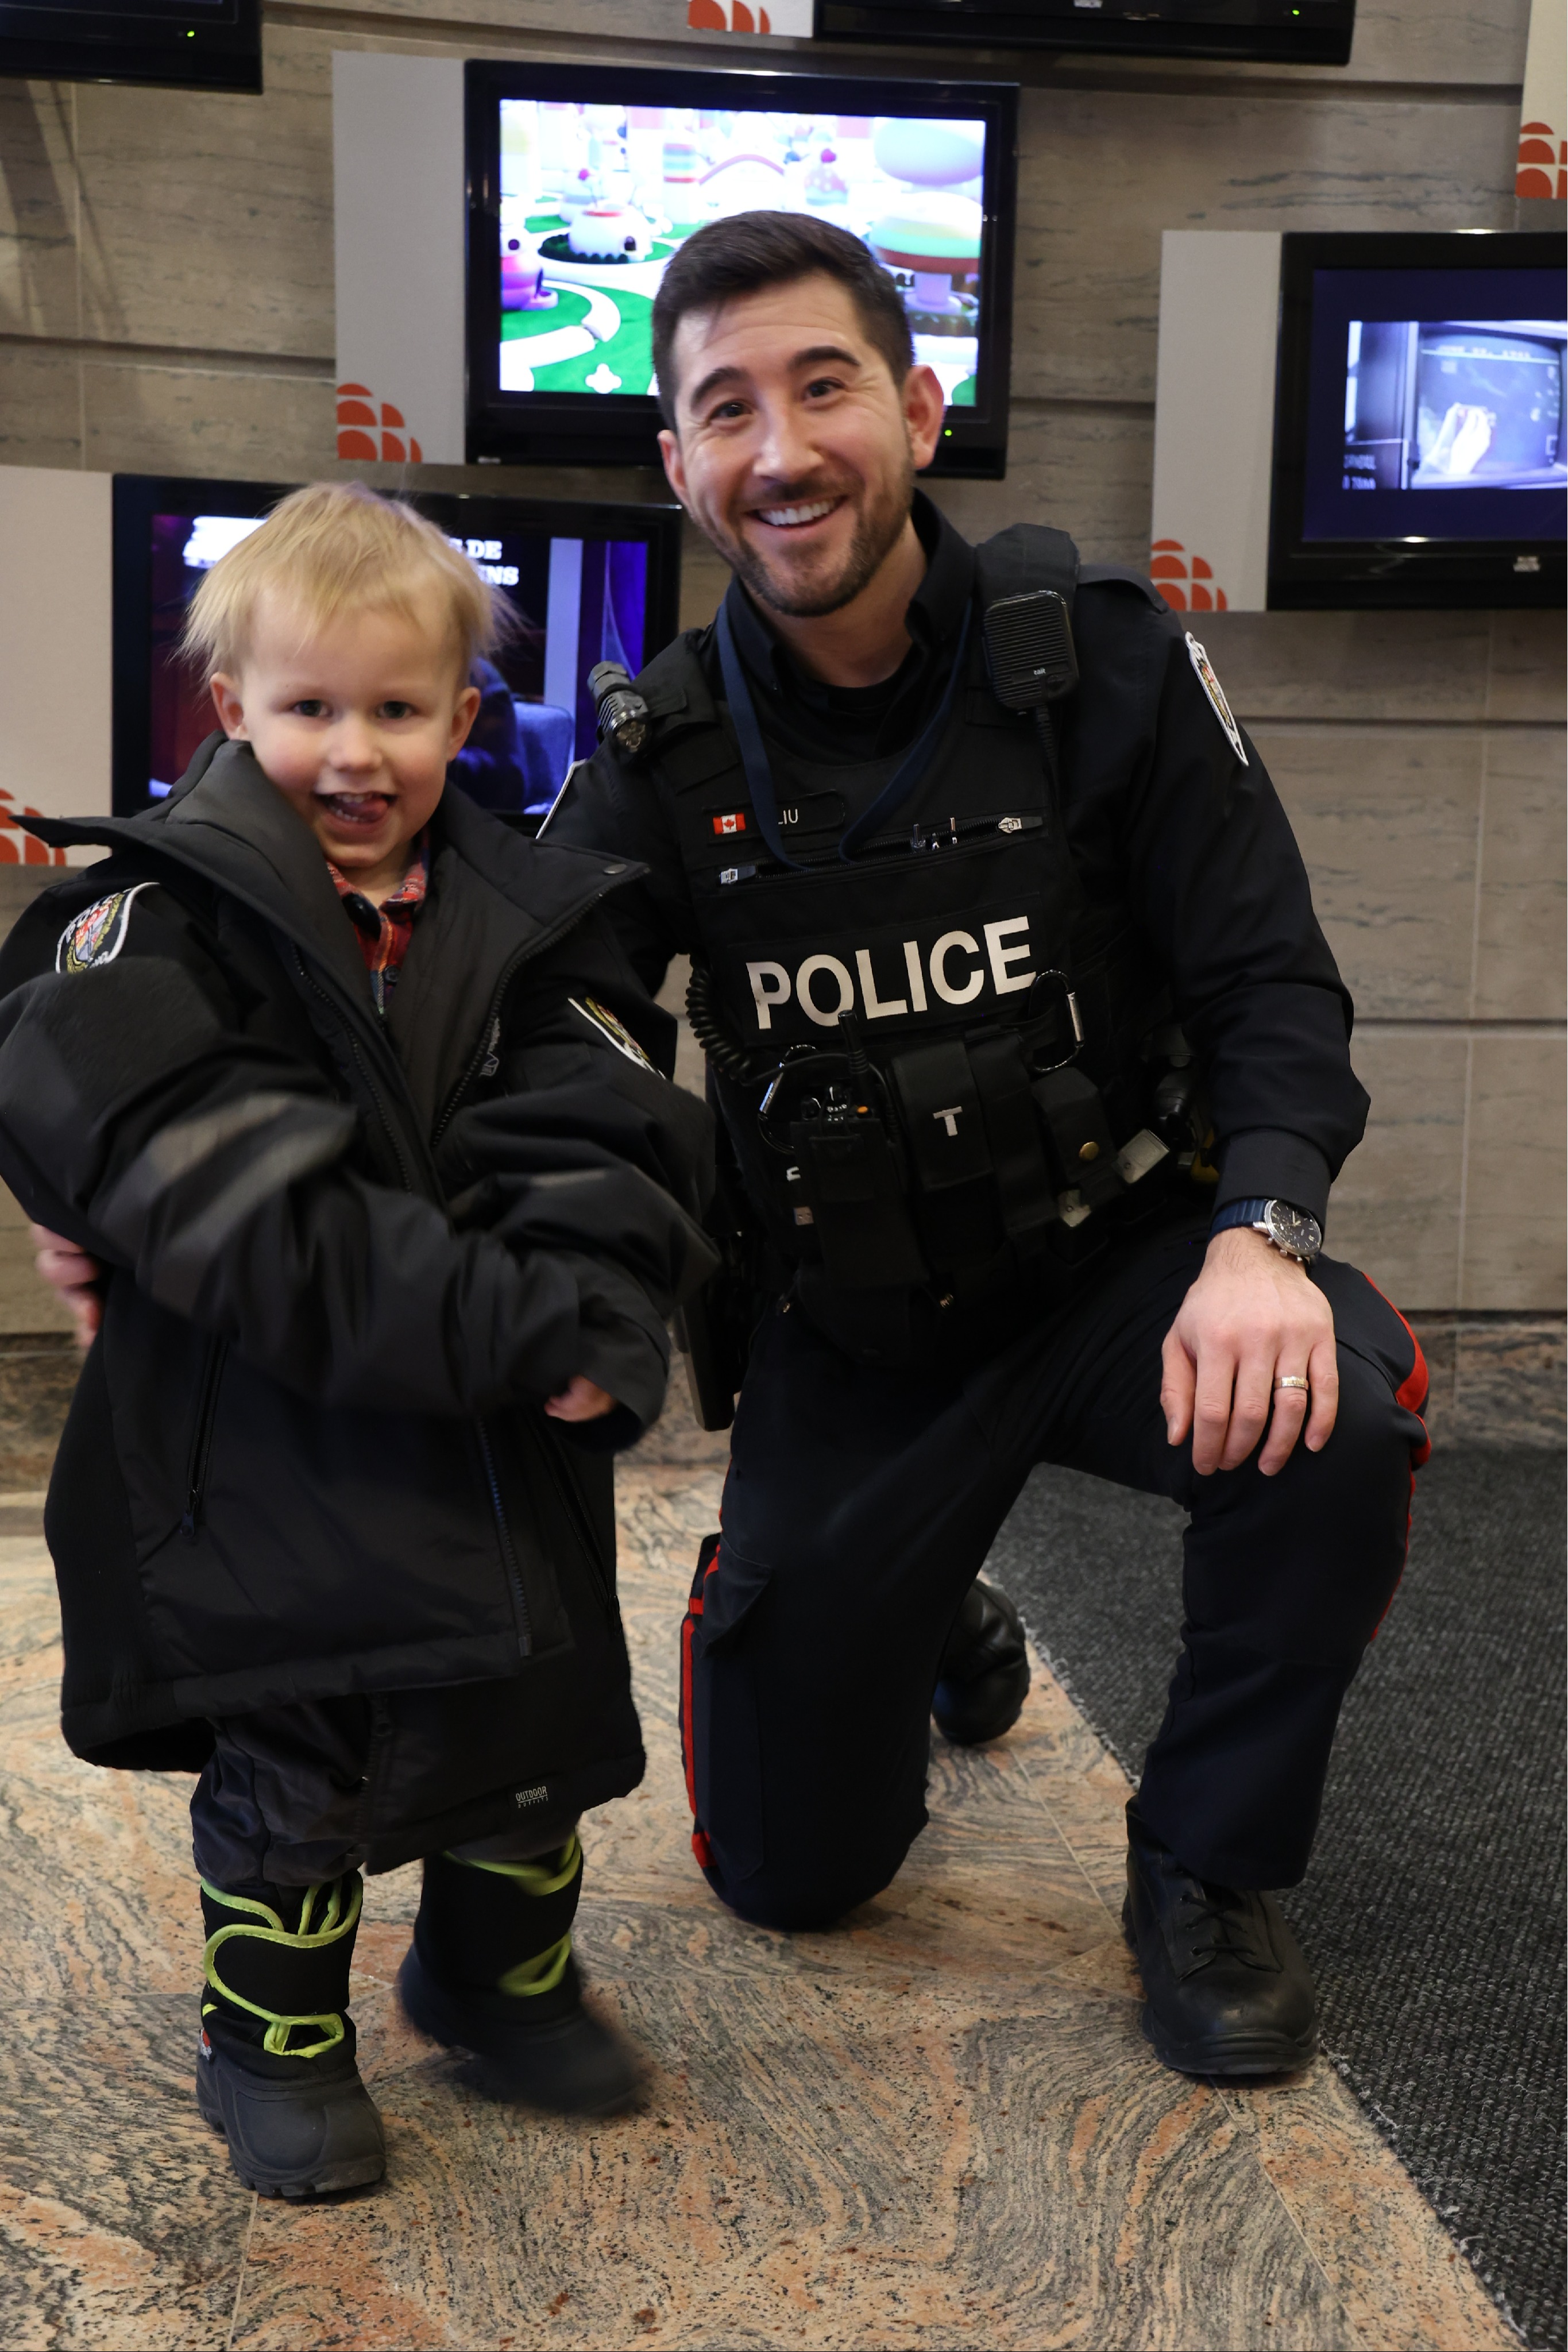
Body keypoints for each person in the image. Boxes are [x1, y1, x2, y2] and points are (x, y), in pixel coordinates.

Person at [542, 211, 1432, 2079]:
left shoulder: (1103, 662)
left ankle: (1203, 1868)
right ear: (679, 468)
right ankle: (926, 1597)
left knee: (1336, 1407)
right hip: (855, 1335)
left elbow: (1274, 985)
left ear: (920, 410)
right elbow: (547, 1052)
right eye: (724, 410)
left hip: (1127, 1263)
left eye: (822, 385)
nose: (779, 451)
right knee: (790, 1880)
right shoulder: (654, 754)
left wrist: (1261, 1232)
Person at [0, 483, 715, 2197]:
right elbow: (235, 1201)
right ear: (229, 708)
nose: (354, 750)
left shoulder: (547, 921)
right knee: (297, 1774)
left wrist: (599, 1308)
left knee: (527, 1750)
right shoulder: (140, 919)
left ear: (464, 718)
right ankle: (272, 2033)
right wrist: (519, 1312)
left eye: (397, 709)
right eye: (310, 706)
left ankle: (493, 1976)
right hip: (263, 1467)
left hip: (492, 1465)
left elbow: (613, 1136)